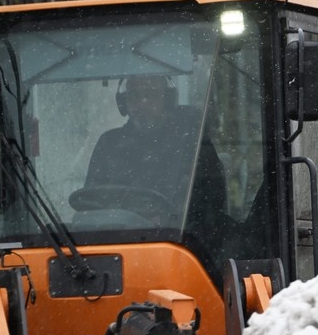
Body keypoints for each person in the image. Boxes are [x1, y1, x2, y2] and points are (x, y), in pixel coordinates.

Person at [83, 75, 227, 228]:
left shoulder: (191, 138)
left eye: (151, 94)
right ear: (123, 103)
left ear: (168, 99)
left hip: (179, 236)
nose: (142, 103)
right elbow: (91, 201)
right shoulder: (109, 143)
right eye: (134, 96)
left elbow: (213, 199)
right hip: (120, 236)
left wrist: (171, 219)